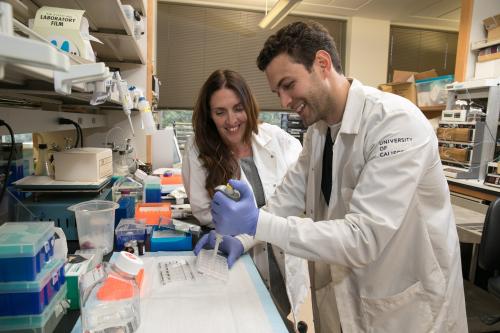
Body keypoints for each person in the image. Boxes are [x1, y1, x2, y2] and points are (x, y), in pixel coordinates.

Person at [209, 22, 468, 332]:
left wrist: (256, 223)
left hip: (405, 311)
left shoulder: (395, 123)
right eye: (278, 91)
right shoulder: (318, 134)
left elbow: (363, 237)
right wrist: (238, 238)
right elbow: (284, 202)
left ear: (322, 64)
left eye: (288, 84)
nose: (284, 102)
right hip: (345, 303)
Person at [181, 69, 309, 329]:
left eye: (237, 108)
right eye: (220, 112)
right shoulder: (198, 148)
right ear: (209, 115)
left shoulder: (281, 141)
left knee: (284, 320)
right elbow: (204, 212)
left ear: (249, 106)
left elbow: (298, 203)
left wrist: (246, 229)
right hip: (236, 261)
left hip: (285, 257)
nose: (231, 121)